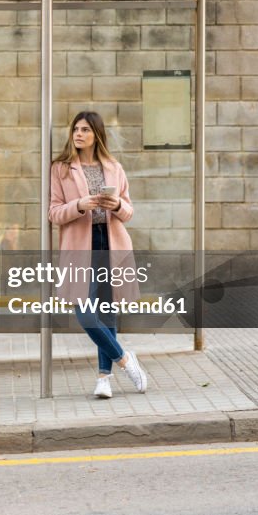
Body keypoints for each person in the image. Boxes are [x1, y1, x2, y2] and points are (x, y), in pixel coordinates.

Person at [48, 110, 148, 399]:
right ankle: (126, 361)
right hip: (80, 244)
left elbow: (128, 212)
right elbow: (54, 213)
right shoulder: (61, 168)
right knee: (84, 311)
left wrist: (115, 203)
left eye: (85, 130)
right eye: (75, 129)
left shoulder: (113, 167)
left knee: (107, 311)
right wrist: (82, 204)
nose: (78, 134)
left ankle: (104, 379)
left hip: (111, 242)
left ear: (97, 134)